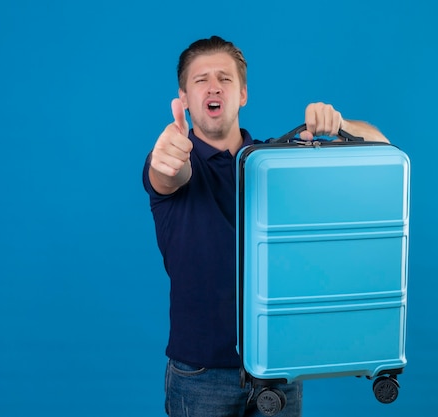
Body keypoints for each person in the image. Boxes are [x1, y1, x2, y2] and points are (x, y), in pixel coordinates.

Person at [142, 35, 389, 417]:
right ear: (185, 97)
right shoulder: (176, 161)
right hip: (200, 374)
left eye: (225, 78)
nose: (213, 86)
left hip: (279, 368)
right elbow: (166, 174)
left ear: (243, 94)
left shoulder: (278, 161)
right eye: (200, 79)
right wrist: (166, 160)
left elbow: (384, 148)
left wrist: (339, 124)